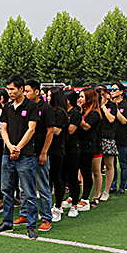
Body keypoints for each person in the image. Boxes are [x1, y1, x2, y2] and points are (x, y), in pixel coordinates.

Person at [0, 75, 40, 240]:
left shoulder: (32, 106)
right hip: (8, 153)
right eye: (8, 89)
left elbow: (31, 129)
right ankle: (7, 222)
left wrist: (18, 147)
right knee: (6, 189)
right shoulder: (7, 107)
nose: (10, 92)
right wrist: (10, 146)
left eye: (12, 89)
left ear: (21, 89)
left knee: (28, 191)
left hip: (25, 154)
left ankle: (31, 224)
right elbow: (3, 129)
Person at [24, 79, 56, 231]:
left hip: (40, 152)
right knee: (24, 186)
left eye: (28, 91)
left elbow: (50, 131)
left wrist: (44, 152)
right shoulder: (26, 106)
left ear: (37, 92)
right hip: (26, 152)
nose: (25, 94)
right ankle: (25, 214)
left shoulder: (46, 108)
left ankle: (46, 217)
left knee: (43, 186)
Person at [46, 87, 69, 221]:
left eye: (50, 96)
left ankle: (58, 205)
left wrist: (44, 125)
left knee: (56, 176)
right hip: (49, 147)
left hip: (57, 148)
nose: (48, 98)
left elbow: (56, 131)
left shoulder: (60, 113)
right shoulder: (50, 110)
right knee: (49, 177)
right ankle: (49, 205)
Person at [77, 88, 101, 208]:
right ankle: (77, 196)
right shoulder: (83, 111)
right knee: (80, 171)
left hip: (89, 144)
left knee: (87, 171)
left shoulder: (94, 113)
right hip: (80, 143)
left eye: (82, 97)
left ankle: (86, 197)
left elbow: (86, 127)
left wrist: (76, 115)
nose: (79, 99)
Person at [61, 90, 84, 217]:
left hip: (73, 148)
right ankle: (64, 201)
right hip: (62, 148)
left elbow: (71, 130)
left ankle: (75, 203)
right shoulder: (62, 112)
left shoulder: (75, 113)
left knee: (73, 176)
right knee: (62, 176)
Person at [110, 83, 127, 195]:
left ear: (121, 91)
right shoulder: (109, 104)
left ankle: (122, 186)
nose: (112, 91)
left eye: (115, 89)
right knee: (111, 164)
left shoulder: (126, 105)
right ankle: (112, 185)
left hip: (122, 136)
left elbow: (124, 121)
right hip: (111, 137)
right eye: (111, 89)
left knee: (123, 163)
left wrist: (116, 109)